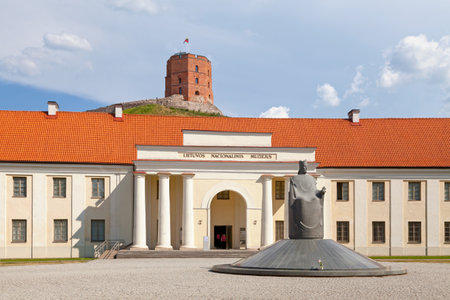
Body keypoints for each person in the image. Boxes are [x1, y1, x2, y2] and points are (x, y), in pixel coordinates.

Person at [289, 160, 326, 239]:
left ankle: (316, 232)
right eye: (303, 167)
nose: (305, 168)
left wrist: (321, 192)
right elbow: (293, 191)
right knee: (301, 201)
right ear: (300, 168)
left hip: (312, 197)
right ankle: (299, 232)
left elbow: (314, 191)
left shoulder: (311, 179)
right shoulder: (294, 178)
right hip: (299, 197)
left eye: (306, 167)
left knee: (316, 200)